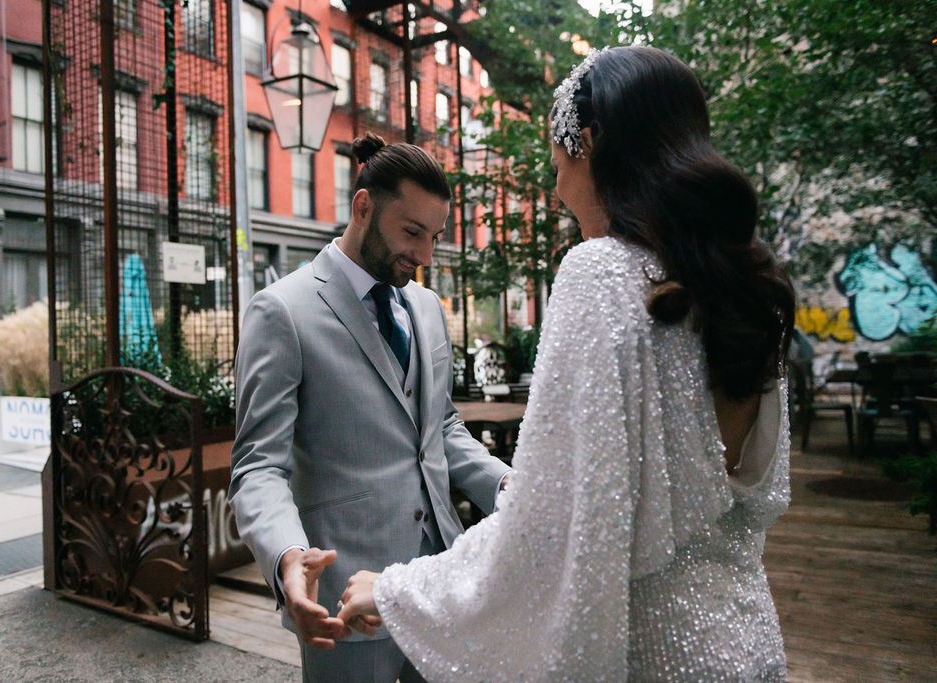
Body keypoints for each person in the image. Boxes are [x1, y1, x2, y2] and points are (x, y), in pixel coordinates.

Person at [337, 45, 796, 681]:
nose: (553, 186)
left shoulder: (601, 274)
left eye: (556, 162)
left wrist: (395, 593)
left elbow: (546, 531)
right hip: (746, 640)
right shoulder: (742, 288)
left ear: (586, 141)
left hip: (650, 654)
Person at [228, 133, 512, 682]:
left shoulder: (427, 307)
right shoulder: (281, 311)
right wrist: (288, 556)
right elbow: (258, 467)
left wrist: (506, 489)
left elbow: (441, 427)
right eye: (412, 233)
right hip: (344, 600)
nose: (425, 256)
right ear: (362, 207)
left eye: (434, 237)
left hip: (439, 583)